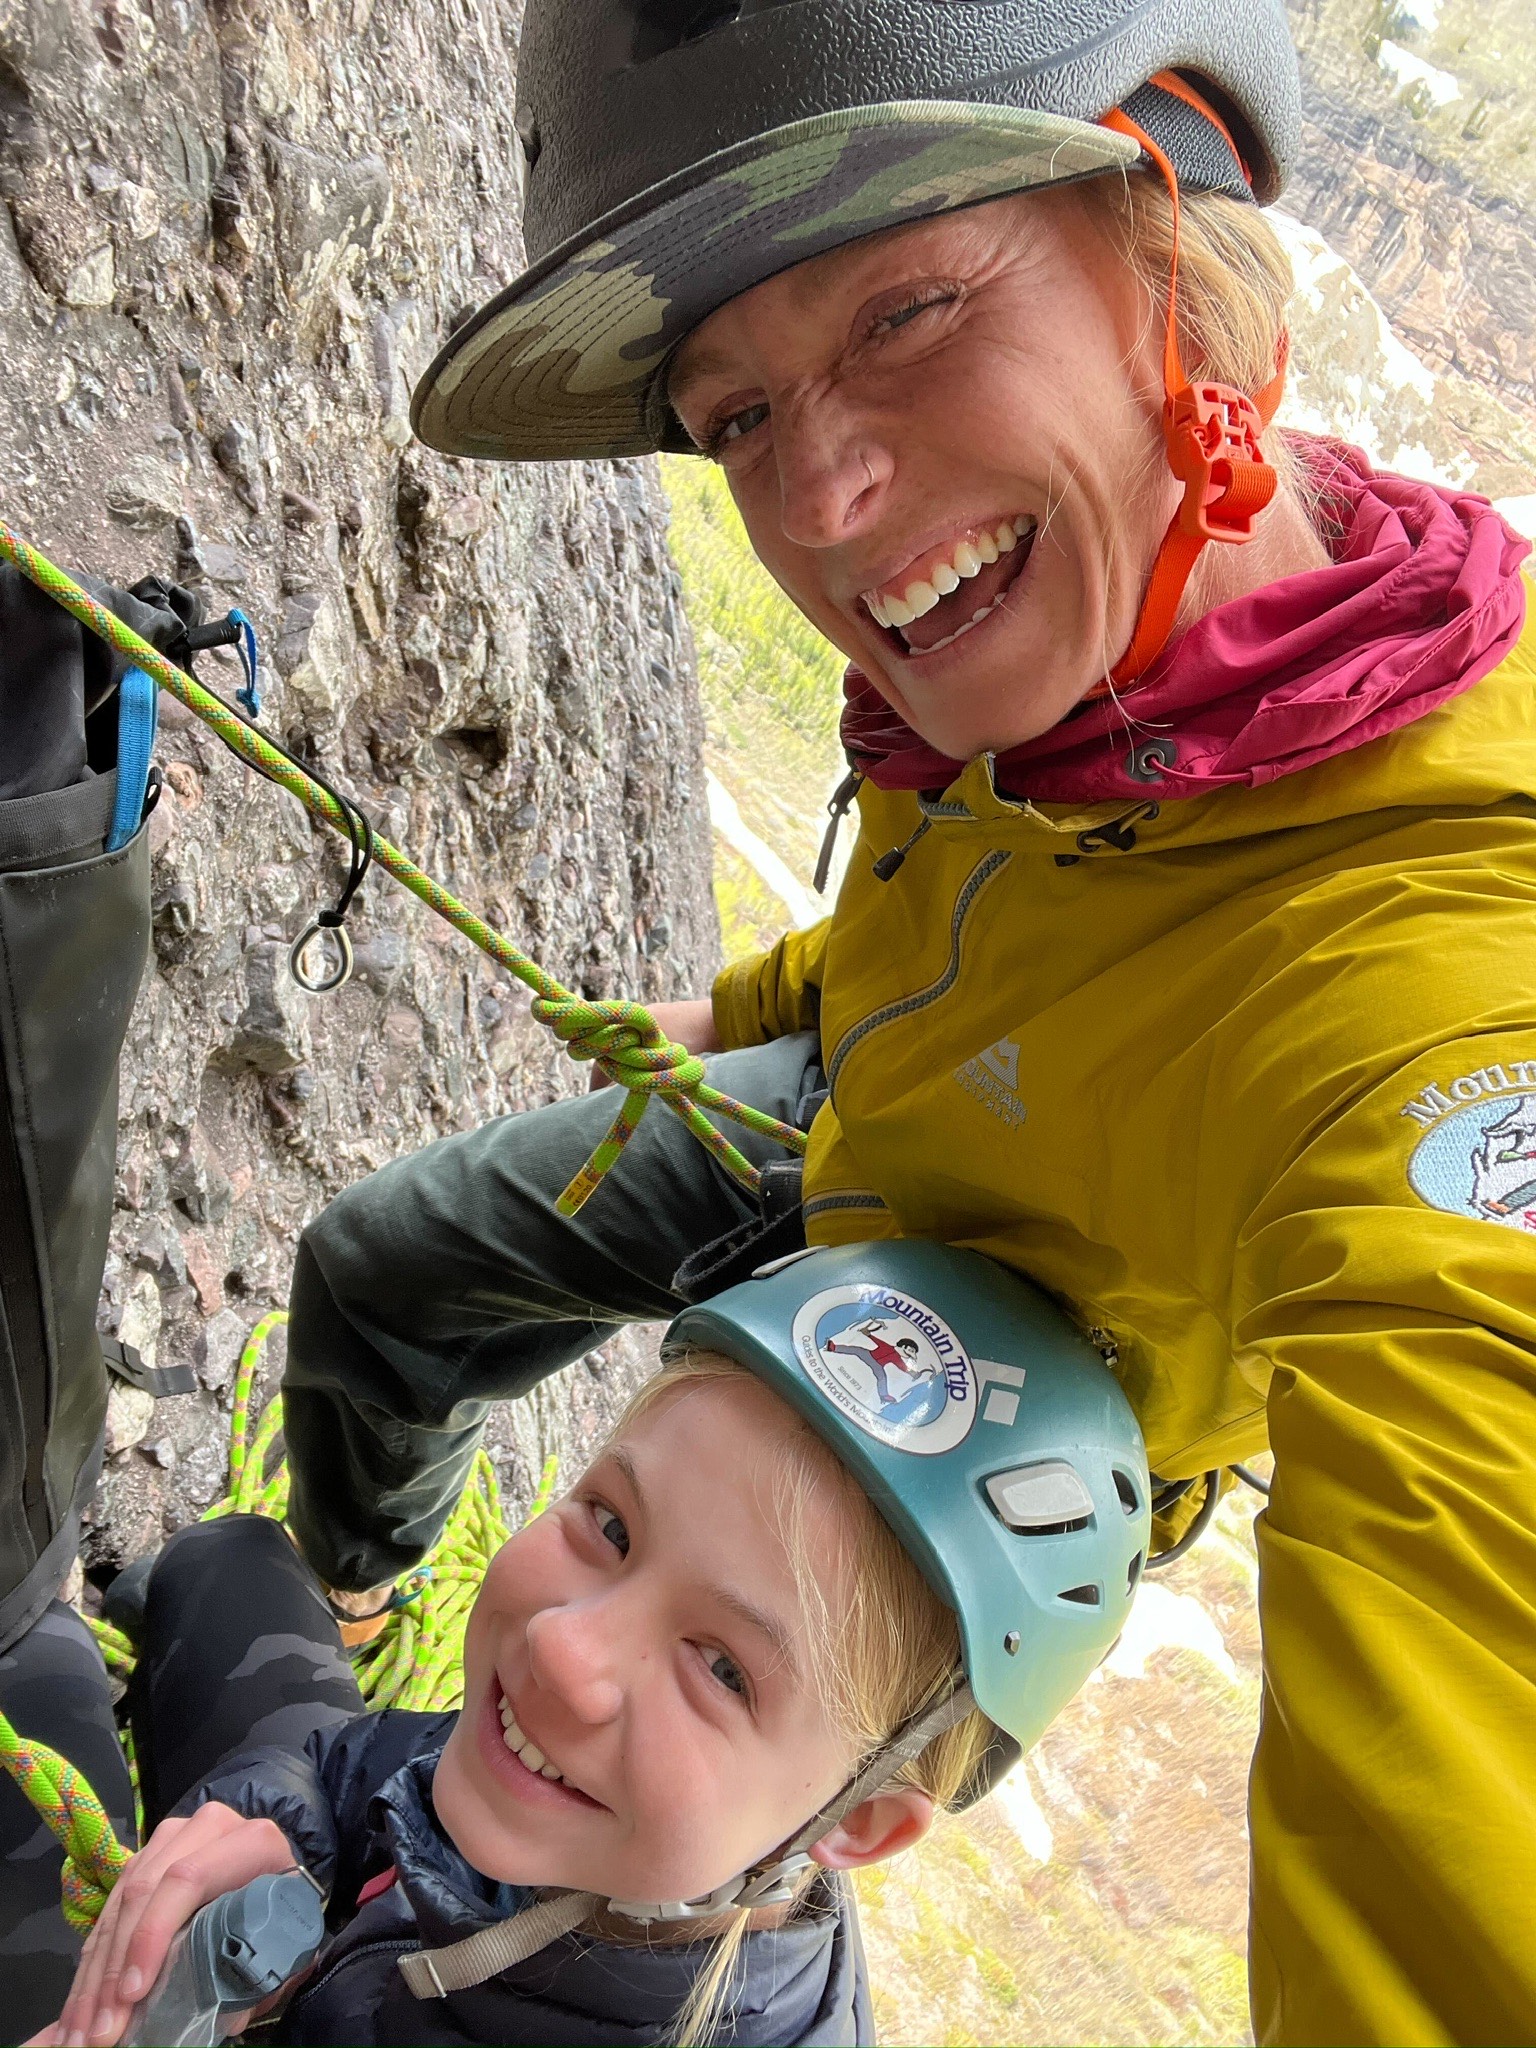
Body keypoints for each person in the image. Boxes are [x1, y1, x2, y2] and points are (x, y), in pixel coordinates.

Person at [279, 1, 1536, 2040]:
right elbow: (957, 908)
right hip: (870, 1104)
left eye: (909, 310)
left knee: (714, 1807)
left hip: (1035, 1388)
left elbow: (1471, 1785)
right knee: (387, 1266)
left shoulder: (1447, 976)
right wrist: (762, 999)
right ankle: (347, 1594)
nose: (831, 499)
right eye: (737, 415)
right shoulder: (1067, 636)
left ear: (1175, 206)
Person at [29, 1245, 1149, 2048]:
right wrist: (287, 1834)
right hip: (337, 1961)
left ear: (854, 1820)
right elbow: (365, 1771)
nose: (565, 1651)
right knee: (229, 1563)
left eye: (721, 1666)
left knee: (34, 1670)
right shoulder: (610, 1799)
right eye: (612, 1526)